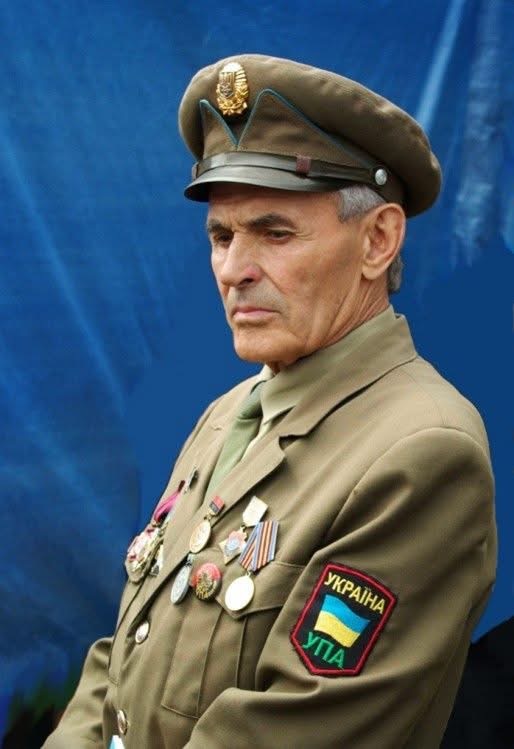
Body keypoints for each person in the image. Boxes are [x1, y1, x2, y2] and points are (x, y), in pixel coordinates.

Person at [43, 54, 497, 749]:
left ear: (378, 240)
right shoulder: (231, 413)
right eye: (221, 236)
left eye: (275, 233)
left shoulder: (422, 452)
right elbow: (126, 653)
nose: (233, 269)